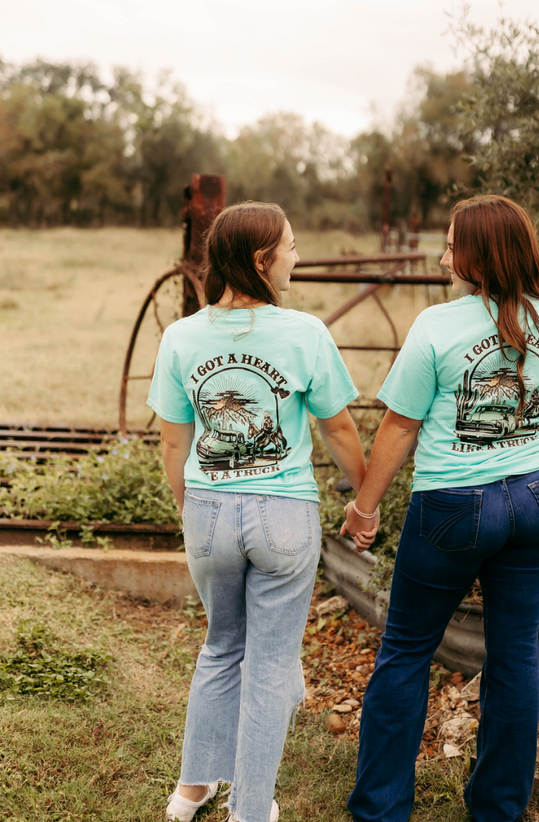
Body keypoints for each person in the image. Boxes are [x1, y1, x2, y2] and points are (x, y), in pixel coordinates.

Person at [342, 194, 539, 822]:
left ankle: (379, 811)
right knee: (514, 654)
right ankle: (498, 811)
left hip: (454, 506)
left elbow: (399, 427)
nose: (444, 254)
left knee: (406, 650)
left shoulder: (438, 326)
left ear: (477, 256)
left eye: (452, 243)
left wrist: (364, 509)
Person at [148, 201, 366, 822]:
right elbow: (340, 428)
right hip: (284, 516)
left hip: (209, 512)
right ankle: (249, 808)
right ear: (261, 260)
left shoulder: (181, 336)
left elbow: (172, 440)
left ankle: (190, 792)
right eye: (291, 247)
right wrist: (364, 501)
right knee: (270, 664)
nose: (297, 256)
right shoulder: (304, 333)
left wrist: (191, 509)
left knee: (221, 646)